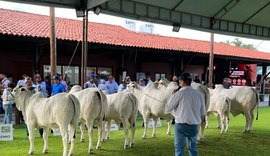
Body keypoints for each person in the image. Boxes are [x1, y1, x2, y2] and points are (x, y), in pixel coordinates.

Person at [165, 73, 205, 156]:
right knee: (193, 148)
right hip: (194, 125)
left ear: (183, 82)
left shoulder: (179, 93)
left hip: (181, 125)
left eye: (180, 81)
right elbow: (202, 111)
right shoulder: (198, 94)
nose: (179, 83)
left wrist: (173, 96)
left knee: (179, 148)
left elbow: (168, 108)